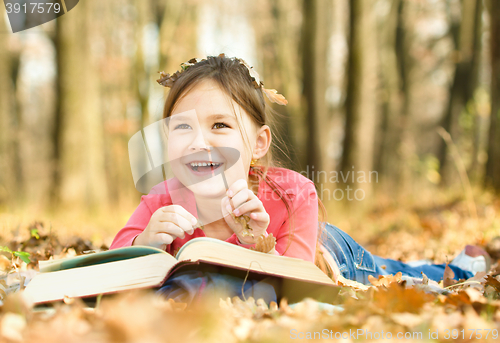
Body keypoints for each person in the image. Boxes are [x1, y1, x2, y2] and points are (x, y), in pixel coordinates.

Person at [110, 54, 489, 303]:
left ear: (258, 144)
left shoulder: (292, 193)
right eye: (182, 128)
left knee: (396, 275)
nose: (198, 143)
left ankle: (458, 270)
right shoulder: (162, 200)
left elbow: (299, 284)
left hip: (332, 257)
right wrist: (146, 242)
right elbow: (116, 258)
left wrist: (261, 245)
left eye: (220, 125)